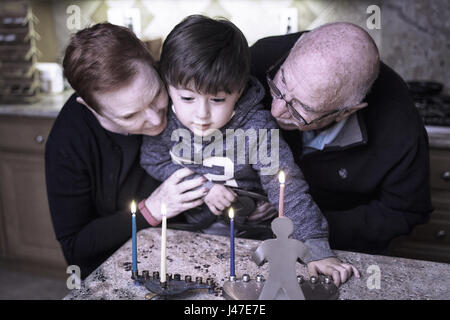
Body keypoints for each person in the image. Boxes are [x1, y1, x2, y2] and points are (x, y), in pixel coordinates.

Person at [140, 15, 359, 286]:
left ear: (239, 90)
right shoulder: (164, 122)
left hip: (253, 237)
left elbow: (289, 189)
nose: (201, 114)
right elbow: (152, 159)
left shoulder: (256, 129)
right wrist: (203, 186)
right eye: (187, 98)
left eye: (218, 100)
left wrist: (316, 249)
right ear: (167, 86)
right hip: (189, 234)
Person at [250, 22, 433, 269]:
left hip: (344, 247)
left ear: (346, 111)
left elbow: (405, 212)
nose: (276, 110)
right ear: (296, 47)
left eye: (302, 109)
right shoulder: (261, 59)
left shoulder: (400, 126)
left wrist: (306, 224)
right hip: (251, 235)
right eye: (279, 85)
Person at [45, 23, 207, 279]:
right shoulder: (68, 141)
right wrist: (152, 209)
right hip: (116, 268)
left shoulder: (179, 77)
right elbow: (76, 245)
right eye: (130, 115)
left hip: (191, 248)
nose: (155, 120)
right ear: (90, 107)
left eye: (156, 95)